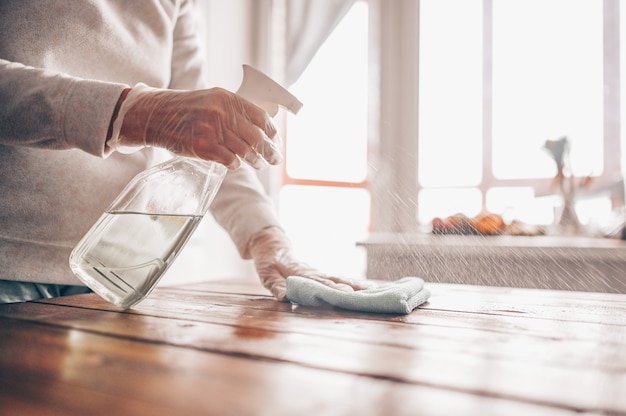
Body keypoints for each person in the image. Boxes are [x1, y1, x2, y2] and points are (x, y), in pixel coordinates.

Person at [0, 0, 368, 303]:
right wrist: (140, 113)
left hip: (113, 278)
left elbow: (212, 145)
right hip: (9, 268)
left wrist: (266, 237)